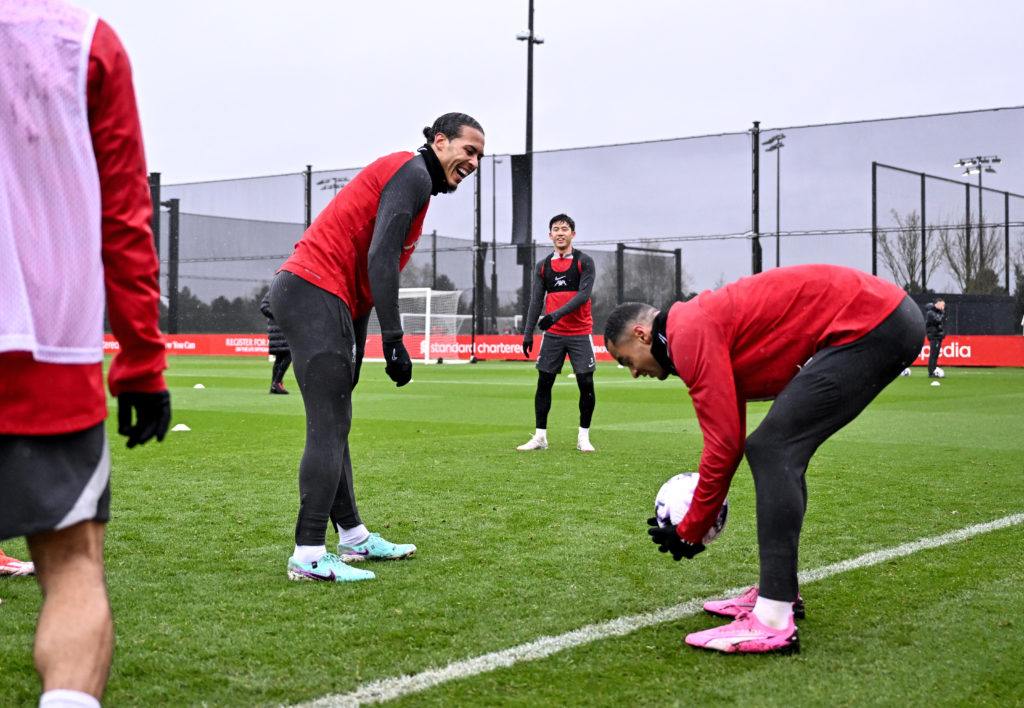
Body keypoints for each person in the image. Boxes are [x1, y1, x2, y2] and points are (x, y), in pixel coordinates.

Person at [603, 264, 923, 654]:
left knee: (773, 448)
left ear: (642, 334)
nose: (633, 372)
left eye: (626, 360)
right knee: (776, 448)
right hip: (882, 318)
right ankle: (780, 593)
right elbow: (731, 438)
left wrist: (690, 530)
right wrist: (693, 525)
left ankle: (773, 618)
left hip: (873, 321)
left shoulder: (687, 333)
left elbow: (723, 447)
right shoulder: (693, 327)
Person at [0, 3, 171, 706]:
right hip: (42, 348)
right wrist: (140, 361)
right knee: (71, 568)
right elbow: (124, 213)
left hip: (46, 351)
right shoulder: (83, 43)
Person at [270, 113, 485, 583]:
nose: (473, 162)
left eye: (479, 157)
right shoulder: (410, 173)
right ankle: (307, 554)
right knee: (330, 423)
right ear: (440, 141)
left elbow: (366, 278)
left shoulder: (418, 185)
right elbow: (380, 259)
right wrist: (393, 339)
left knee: (337, 419)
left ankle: (353, 538)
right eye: (468, 151)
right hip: (312, 290)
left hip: (326, 297)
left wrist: (361, 346)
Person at [517, 214, 598, 452]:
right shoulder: (543, 266)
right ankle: (540, 437)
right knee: (544, 382)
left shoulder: (585, 262)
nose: (560, 233)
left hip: (580, 333)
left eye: (565, 229)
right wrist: (528, 332)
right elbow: (535, 300)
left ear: (573, 234)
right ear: (550, 235)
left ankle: (583, 437)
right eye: (556, 229)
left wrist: (554, 315)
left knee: (586, 382)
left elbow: (583, 296)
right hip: (553, 335)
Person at [260, 291, 292, 394]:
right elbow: (264, 307)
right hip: (279, 330)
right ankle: (277, 383)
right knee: (288, 355)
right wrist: (279, 315)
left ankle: (274, 386)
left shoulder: (277, 290)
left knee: (280, 357)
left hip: (280, 329)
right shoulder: (275, 291)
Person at [925, 297, 946, 377]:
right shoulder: (931, 313)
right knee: (933, 354)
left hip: (938, 335)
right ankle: (931, 372)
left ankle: (935, 371)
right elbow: (937, 321)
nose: (943, 307)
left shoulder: (938, 312)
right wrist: (942, 314)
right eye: (943, 305)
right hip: (934, 336)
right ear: (938, 304)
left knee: (936, 354)